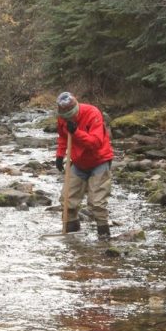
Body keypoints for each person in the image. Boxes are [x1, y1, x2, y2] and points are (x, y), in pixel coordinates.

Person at [55, 91, 114, 238]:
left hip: (99, 160)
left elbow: (95, 142)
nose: (67, 118)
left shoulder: (92, 113)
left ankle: (104, 236)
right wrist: (60, 154)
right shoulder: (62, 118)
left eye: (70, 115)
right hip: (79, 161)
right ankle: (71, 233)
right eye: (64, 116)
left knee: (97, 203)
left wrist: (76, 132)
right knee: (67, 199)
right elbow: (63, 137)